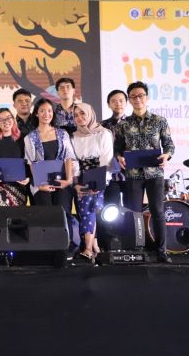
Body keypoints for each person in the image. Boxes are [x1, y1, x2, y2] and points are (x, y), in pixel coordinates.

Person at [115, 81, 175, 263]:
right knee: (134, 212)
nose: (137, 99)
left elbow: (169, 145)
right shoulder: (123, 124)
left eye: (141, 95)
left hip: (155, 173)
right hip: (133, 174)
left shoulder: (159, 121)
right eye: (133, 96)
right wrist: (119, 157)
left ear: (147, 97)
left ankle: (162, 251)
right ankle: (136, 249)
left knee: (158, 211)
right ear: (129, 100)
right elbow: (118, 148)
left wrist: (167, 155)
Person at [71, 103, 113, 260]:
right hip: (81, 176)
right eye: (75, 115)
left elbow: (107, 159)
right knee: (84, 211)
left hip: (98, 175)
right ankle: (93, 245)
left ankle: (88, 248)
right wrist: (76, 182)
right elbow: (73, 160)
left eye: (82, 113)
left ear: (90, 114)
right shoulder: (74, 136)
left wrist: (100, 182)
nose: (79, 117)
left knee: (89, 208)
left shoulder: (103, 133)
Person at [24, 98, 77, 214]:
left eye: (49, 110)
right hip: (41, 183)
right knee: (46, 215)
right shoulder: (30, 138)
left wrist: (68, 180)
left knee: (63, 212)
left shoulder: (63, 133)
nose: (46, 114)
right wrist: (40, 184)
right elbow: (31, 162)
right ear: (36, 113)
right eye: (42, 111)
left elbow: (68, 157)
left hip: (62, 180)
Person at [0, 108, 29, 206]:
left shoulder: (23, 140)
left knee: (18, 215)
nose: (6, 121)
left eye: (9, 117)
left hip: (18, 189)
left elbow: (28, 162)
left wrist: (28, 178)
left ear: (13, 119)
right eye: (2, 119)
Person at [100, 89, 128, 206]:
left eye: (121, 100)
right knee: (110, 208)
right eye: (114, 101)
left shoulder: (134, 123)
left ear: (126, 102)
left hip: (131, 173)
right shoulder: (102, 126)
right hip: (110, 175)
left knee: (131, 209)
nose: (118, 104)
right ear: (108, 104)